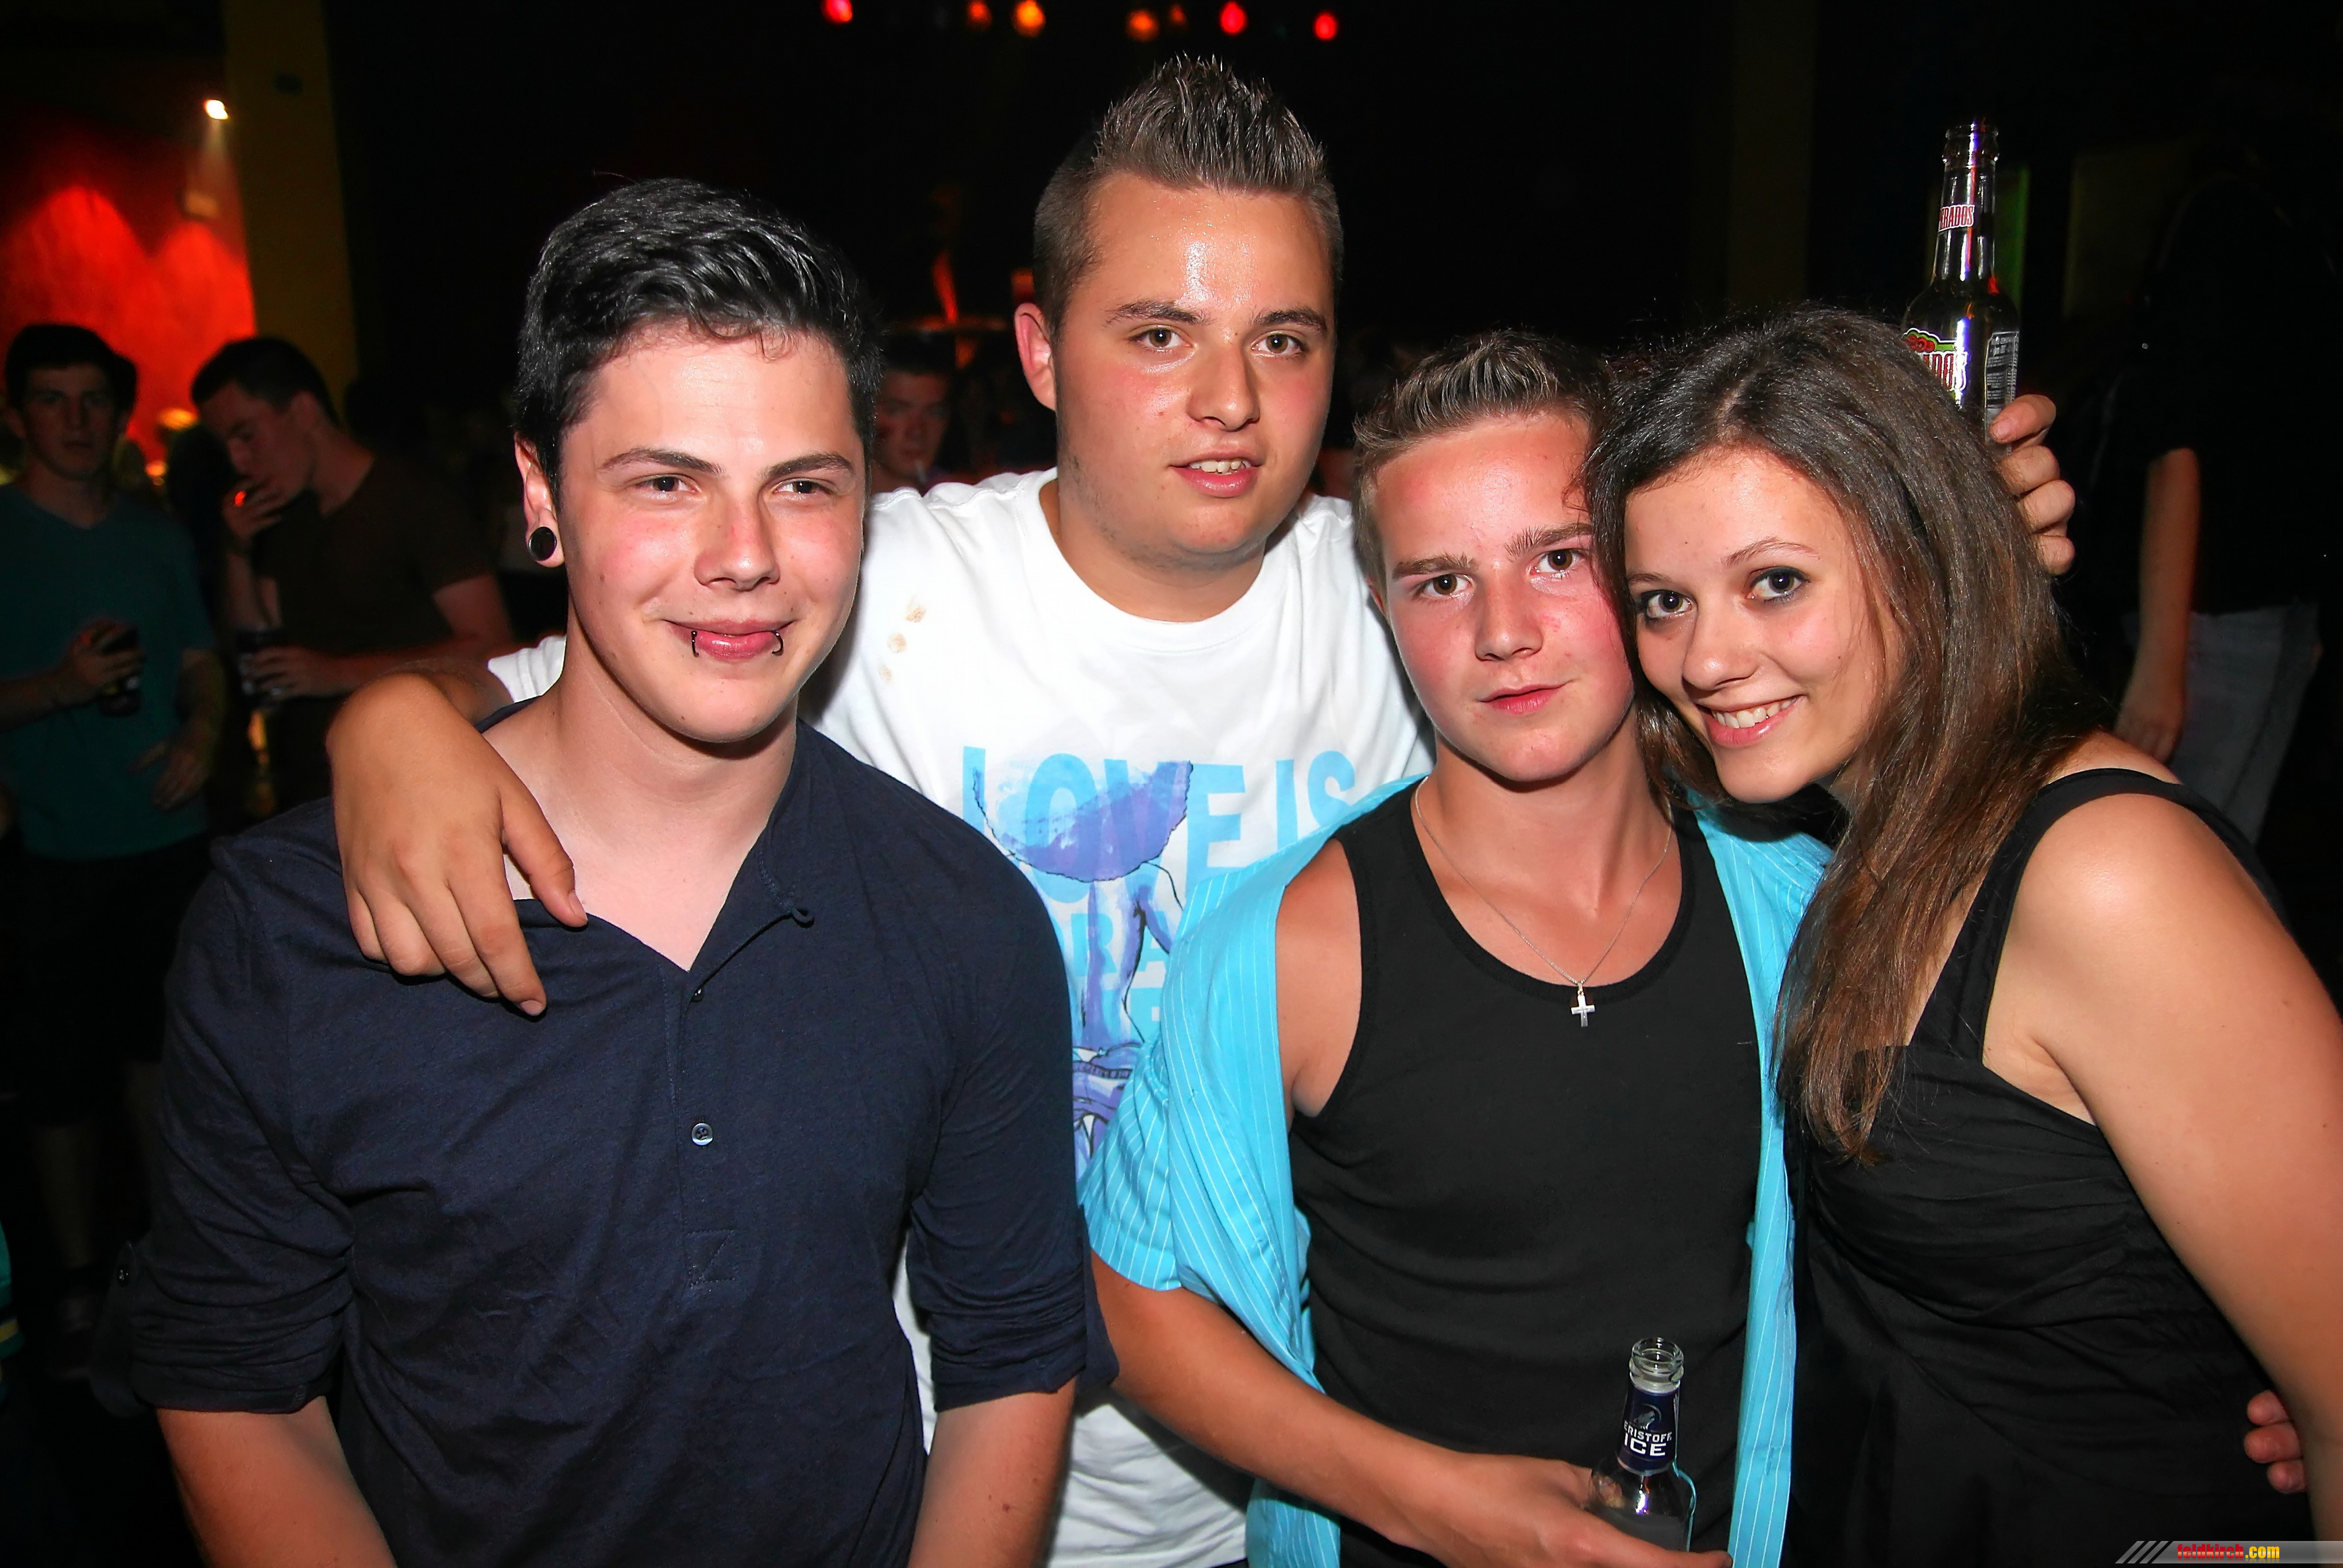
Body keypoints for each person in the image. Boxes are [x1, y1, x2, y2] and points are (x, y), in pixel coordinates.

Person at [316, 61, 2081, 1568]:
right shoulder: (880, 582)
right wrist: (395, 720)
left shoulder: (1413, 589)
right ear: (1039, 346)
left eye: (1282, 338)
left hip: (1301, 1472)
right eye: (1159, 333)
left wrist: (1909, 545)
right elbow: (570, 674)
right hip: (949, 1461)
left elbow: (1702, 640)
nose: (1228, 399)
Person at [122, 180, 1088, 1567]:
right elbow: (236, 1383)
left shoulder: (962, 917)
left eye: (803, 484)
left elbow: (1011, 1353)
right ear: (540, 493)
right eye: (665, 482)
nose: (744, 558)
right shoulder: (293, 925)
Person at [1600, 305, 2343, 1562]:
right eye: (1663, 601)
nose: (1708, 658)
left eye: (1775, 582)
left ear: (1922, 554)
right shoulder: (1867, 833)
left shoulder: (2102, 874)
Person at [1082, 330, 1819, 1568]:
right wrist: (1433, 1504)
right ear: (1382, 608)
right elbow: (1128, 1298)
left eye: (1557, 558)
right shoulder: (1295, 943)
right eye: (1439, 581)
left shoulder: (1795, 901)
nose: (1503, 631)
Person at [0, 323, 226, 1379]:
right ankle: (78, 1274)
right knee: (57, 1081)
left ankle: (163, 1249)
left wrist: (202, 734)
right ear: (17, 416)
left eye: (94, 399)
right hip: (48, 847)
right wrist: (60, 688)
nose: (77, 420)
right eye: (52, 399)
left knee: (164, 1055)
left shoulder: (155, 535)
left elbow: (201, 662)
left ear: (121, 414)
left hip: (164, 838)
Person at [2109, 130, 2343, 839]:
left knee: (2226, 845)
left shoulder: (2285, 220)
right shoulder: (2227, 216)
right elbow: (2174, 435)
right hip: (2209, 612)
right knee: (2184, 847)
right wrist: (2162, 659)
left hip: (2272, 604)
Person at [194, 335, 512, 806]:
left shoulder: (412, 498)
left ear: (304, 411)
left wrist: (335, 673)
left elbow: (492, 642)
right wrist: (237, 552)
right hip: (314, 782)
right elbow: (258, 639)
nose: (238, 461)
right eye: (227, 445)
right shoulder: (288, 514)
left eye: (246, 435)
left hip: (413, 776)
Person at [871, 332, 957, 493]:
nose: (917, 431)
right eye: (896, 410)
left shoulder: (959, 498)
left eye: (935, 413)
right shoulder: (838, 501)